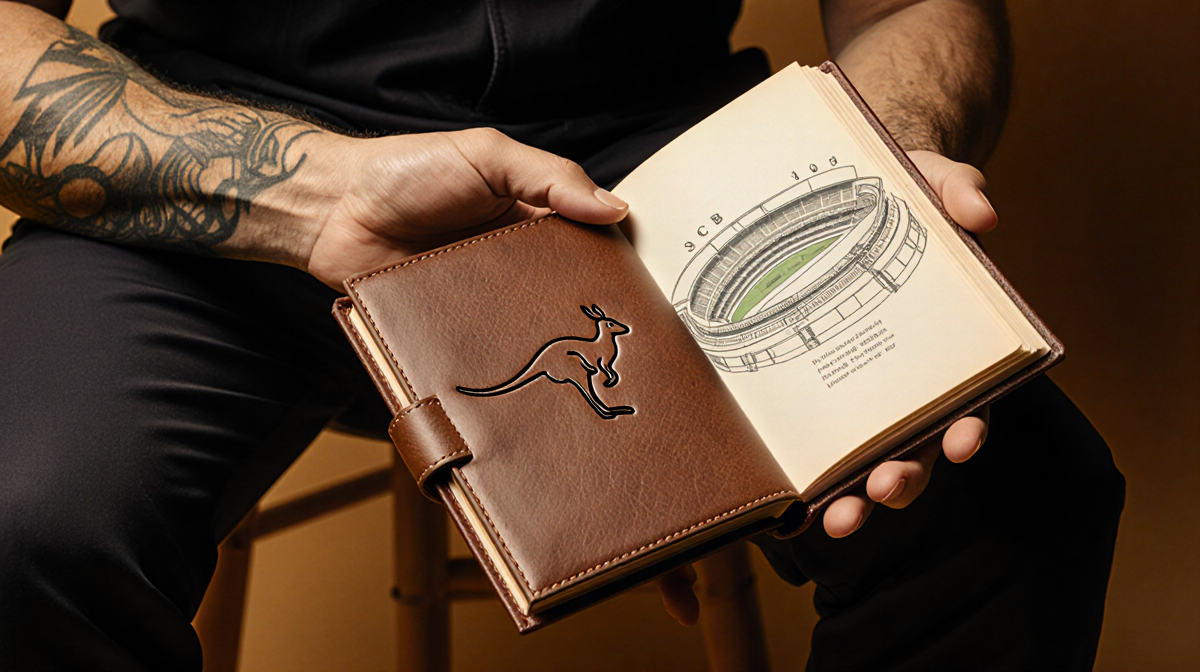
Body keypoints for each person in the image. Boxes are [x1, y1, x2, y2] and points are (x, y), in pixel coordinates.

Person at [0, 1, 1123, 670]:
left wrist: (876, 155)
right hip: (214, 169)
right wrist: (319, 192)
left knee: (1017, 498)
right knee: (22, 519)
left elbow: (912, 5)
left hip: (654, 189)